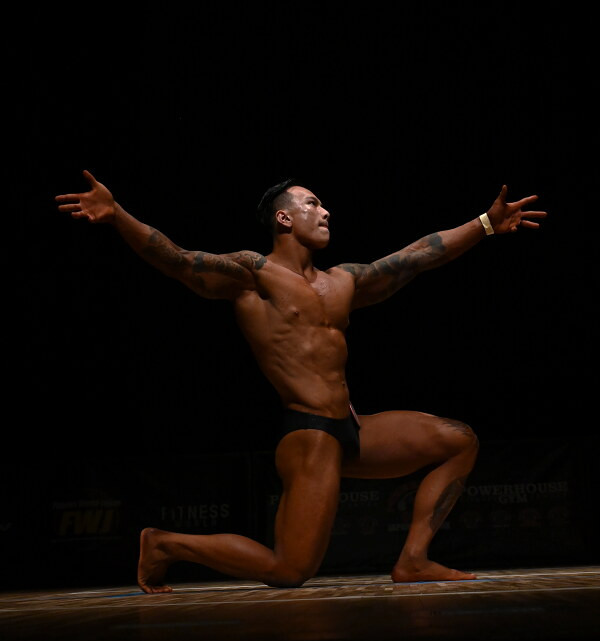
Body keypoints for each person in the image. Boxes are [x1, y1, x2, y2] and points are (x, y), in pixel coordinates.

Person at [55, 172, 546, 592]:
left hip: (351, 429)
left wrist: (485, 224)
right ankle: (165, 543)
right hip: (310, 434)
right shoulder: (254, 274)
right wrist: (117, 215)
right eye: (312, 203)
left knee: (458, 440)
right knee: (290, 570)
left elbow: (418, 255)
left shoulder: (344, 281)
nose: (325, 211)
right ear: (284, 218)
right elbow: (179, 260)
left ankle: (413, 560)